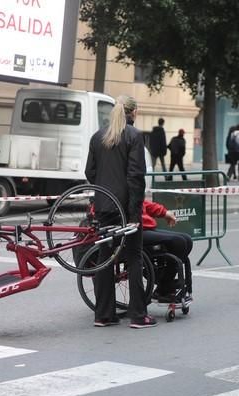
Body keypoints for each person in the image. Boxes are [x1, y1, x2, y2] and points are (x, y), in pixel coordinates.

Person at [85, 95, 157, 329]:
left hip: (104, 207)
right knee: (134, 258)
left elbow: (90, 173)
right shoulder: (134, 136)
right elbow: (136, 177)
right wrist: (135, 213)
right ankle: (138, 315)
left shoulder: (98, 137)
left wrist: (105, 191)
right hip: (126, 208)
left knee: (105, 258)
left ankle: (103, 314)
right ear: (133, 112)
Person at [142, 200, 192, 302]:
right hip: (134, 230)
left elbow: (143, 204)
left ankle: (164, 280)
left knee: (187, 239)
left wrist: (164, 213)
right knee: (178, 242)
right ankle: (165, 285)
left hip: (145, 227)